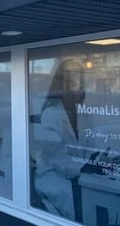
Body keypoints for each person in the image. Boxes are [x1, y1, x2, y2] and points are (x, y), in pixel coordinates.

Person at [31, 58, 87, 221]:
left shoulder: (83, 114)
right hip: (53, 177)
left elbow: (88, 147)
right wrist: (86, 167)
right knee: (77, 205)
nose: (79, 87)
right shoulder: (51, 114)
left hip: (78, 174)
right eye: (73, 80)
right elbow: (58, 160)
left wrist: (99, 160)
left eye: (80, 80)